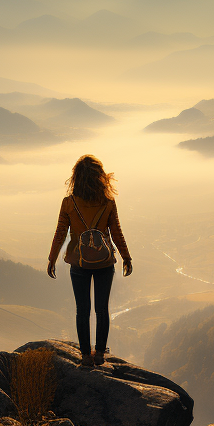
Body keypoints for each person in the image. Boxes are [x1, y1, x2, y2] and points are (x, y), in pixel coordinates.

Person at [47, 154, 132, 366]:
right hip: (104, 262)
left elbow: (60, 234)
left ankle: (85, 355)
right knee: (102, 309)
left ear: (76, 177)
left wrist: (52, 259)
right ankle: (100, 353)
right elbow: (116, 233)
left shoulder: (69, 203)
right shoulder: (108, 202)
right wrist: (126, 256)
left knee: (82, 309)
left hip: (78, 263)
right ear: (100, 177)